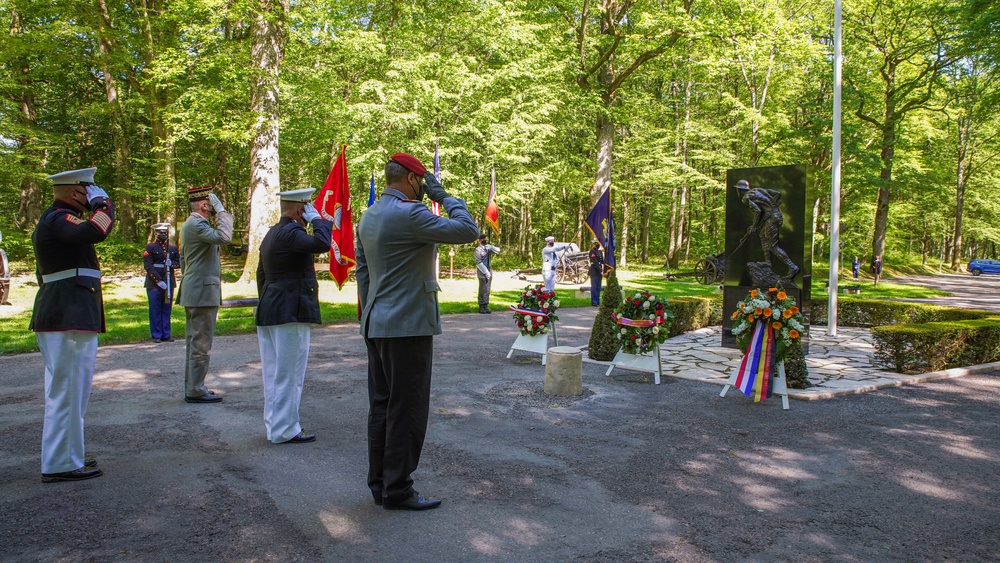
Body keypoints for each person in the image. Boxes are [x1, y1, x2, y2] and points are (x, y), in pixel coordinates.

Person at [356, 152, 479, 510]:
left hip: (377, 322)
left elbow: (363, 274)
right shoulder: (412, 214)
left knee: (381, 405)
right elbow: (468, 230)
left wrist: (370, 315)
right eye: (422, 182)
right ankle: (399, 489)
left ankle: (380, 484)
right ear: (412, 180)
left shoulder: (370, 215)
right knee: (407, 409)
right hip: (407, 325)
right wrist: (443, 197)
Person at [30, 167, 113, 482]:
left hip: (69, 314)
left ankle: (67, 456)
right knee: (67, 392)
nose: (90, 195)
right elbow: (94, 232)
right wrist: (103, 205)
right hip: (68, 315)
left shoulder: (60, 219)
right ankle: (61, 463)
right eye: (87, 189)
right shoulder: (59, 219)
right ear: (72, 191)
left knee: (71, 392)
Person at [255, 188, 332, 444]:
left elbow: (261, 274)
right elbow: (321, 244)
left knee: (274, 373)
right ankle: (285, 429)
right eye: (307, 209)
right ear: (301, 210)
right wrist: (319, 221)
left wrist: (268, 299)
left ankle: (275, 427)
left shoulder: (272, 233)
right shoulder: (291, 232)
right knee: (290, 374)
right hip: (290, 310)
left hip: (272, 308)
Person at [176, 185, 234, 404]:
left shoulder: (189, 224)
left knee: (194, 343)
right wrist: (223, 213)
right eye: (212, 204)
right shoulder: (198, 224)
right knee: (201, 344)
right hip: (201, 291)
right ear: (203, 205)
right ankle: (196, 390)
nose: (214, 208)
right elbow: (225, 236)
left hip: (195, 289)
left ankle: (193, 387)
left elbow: (183, 259)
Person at [736, 179, 799, 279]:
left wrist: (754, 226)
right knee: (762, 236)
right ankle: (768, 262)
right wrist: (772, 206)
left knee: (773, 246)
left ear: (739, 190)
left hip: (773, 218)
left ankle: (792, 267)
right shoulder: (757, 190)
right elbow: (777, 194)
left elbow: (757, 211)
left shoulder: (746, 197)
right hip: (774, 215)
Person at [144, 222, 180, 343]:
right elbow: (148, 266)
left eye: (165, 232)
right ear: (156, 233)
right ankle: (156, 334)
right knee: (155, 309)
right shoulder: (150, 247)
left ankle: (166, 333)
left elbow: (179, 262)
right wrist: (158, 281)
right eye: (160, 233)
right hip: (154, 283)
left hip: (169, 282)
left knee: (166, 308)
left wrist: (172, 265)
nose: (163, 234)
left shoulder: (173, 247)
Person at [474, 233, 501, 314]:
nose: (484, 241)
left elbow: (498, 250)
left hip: (489, 270)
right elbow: (478, 262)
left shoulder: (488, 248)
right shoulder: (477, 250)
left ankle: (486, 304)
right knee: (482, 289)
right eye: (483, 239)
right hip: (482, 272)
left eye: (485, 239)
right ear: (479, 241)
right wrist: (486, 272)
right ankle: (481, 305)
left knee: (487, 289)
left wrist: (492, 247)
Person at [588, 241, 604, 306]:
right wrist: (600, 269)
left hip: (599, 271)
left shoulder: (600, 252)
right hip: (594, 270)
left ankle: (597, 301)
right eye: (596, 244)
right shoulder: (592, 252)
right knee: (594, 287)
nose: (597, 245)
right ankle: (594, 301)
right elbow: (595, 261)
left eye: (598, 244)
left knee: (598, 287)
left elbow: (602, 261)